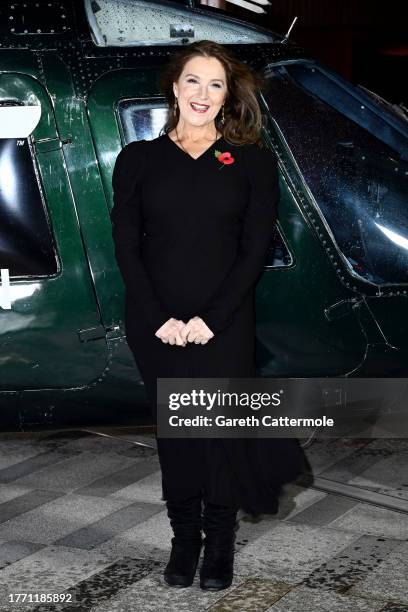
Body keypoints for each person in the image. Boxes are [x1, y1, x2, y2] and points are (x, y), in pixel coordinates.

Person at [110, 40, 304, 591]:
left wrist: (211, 319)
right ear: (174, 88)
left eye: (214, 84)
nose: (202, 93)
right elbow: (126, 247)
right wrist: (158, 318)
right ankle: (184, 540)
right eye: (192, 81)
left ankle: (219, 544)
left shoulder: (251, 160)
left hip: (225, 321)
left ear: (226, 97)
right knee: (177, 434)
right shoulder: (139, 159)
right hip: (157, 323)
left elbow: (254, 249)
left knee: (217, 432)